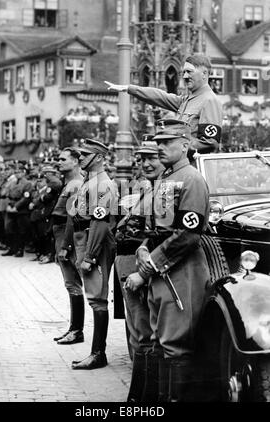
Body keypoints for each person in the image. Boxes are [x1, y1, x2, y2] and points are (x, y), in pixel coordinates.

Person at [125, 119, 210, 402]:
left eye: (166, 142)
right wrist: (144, 247)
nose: (159, 147)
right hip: (163, 270)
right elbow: (159, 229)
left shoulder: (192, 180)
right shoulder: (167, 180)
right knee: (159, 343)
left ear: (185, 145)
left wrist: (148, 268)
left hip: (180, 270)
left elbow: (188, 234)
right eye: (158, 142)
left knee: (174, 345)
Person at [114, 136, 165, 402]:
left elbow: (160, 235)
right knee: (137, 331)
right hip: (129, 260)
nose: (145, 164)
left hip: (143, 266)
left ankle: (143, 398)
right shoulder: (149, 188)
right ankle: (139, 393)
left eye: (151, 158)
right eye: (142, 159)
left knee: (144, 334)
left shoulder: (164, 189)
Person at [104, 53, 223, 158]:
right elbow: (161, 96)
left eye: (189, 72)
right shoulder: (187, 100)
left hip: (193, 169)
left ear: (204, 74)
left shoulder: (209, 101)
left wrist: (173, 149)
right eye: (184, 72)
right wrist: (129, 89)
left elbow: (209, 143)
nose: (185, 76)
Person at [69, 138, 118, 370]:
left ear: (98, 157)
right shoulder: (92, 181)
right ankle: (96, 352)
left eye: (85, 155)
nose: (80, 158)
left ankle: (98, 353)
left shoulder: (102, 184)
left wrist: (90, 256)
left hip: (94, 241)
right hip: (85, 239)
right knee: (93, 296)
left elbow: (101, 223)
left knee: (98, 298)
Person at [51, 148, 85, 346]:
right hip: (61, 236)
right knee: (70, 284)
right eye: (58, 159)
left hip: (67, 237)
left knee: (73, 284)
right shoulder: (69, 183)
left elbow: (73, 219)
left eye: (63, 159)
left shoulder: (76, 184)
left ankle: (77, 330)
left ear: (75, 162)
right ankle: (74, 328)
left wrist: (66, 246)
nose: (59, 162)